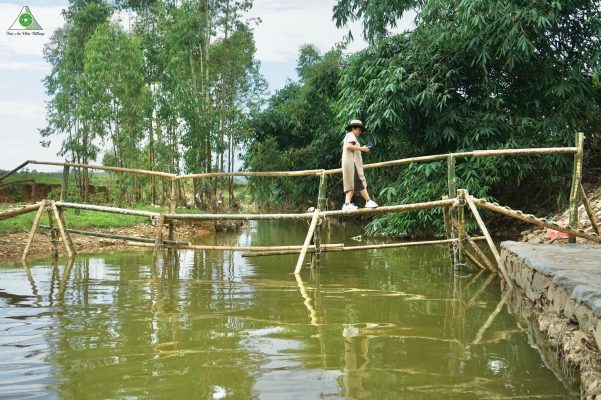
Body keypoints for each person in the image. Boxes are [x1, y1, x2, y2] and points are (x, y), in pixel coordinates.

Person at [341, 119, 378, 210]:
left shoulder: (349, 136)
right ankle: (368, 201)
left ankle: (346, 204)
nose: (360, 132)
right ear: (354, 128)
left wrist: (361, 148)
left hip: (348, 163)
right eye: (359, 129)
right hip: (352, 163)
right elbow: (349, 146)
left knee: (351, 184)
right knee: (360, 180)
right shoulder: (351, 135)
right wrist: (362, 148)